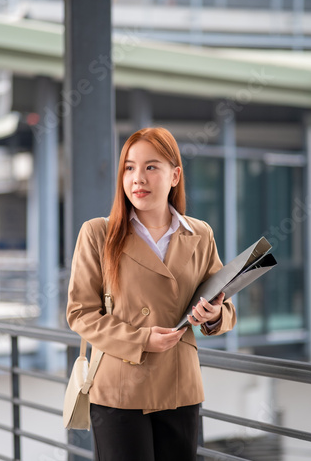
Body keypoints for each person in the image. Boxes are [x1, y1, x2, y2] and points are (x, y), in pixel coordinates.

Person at [67, 127, 236, 461]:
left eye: (150, 167)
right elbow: (80, 313)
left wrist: (215, 315)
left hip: (181, 387)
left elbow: (226, 304)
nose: (137, 178)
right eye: (129, 167)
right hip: (120, 391)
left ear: (175, 175)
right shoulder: (98, 233)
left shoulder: (199, 234)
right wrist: (141, 340)